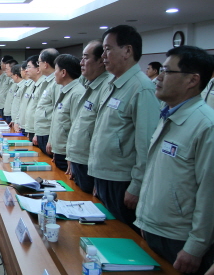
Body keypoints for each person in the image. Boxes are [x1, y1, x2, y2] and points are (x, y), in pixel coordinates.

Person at [135, 45, 214, 275]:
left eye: (168, 72)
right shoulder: (169, 113)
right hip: (155, 227)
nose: (158, 77)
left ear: (192, 80)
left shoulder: (206, 125)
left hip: (180, 239)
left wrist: (195, 247)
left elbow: (209, 193)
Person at [88, 25, 159, 228]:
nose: (103, 56)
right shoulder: (112, 83)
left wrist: (136, 186)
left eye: (108, 49)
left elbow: (146, 144)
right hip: (105, 175)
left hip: (122, 180)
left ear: (127, 50)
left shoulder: (142, 88)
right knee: (105, 234)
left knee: (123, 236)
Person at [65, 40, 112, 193]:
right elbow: (79, 123)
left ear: (101, 61)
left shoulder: (107, 87)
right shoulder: (88, 85)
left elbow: (102, 132)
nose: (81, 63)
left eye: (86, 58)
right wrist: (71, 155)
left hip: (91, 164)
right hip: (79, 158)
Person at [46, 54, 85, 171]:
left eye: (56, 70)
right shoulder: (64, 89)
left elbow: (76, 128)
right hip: (59, 150)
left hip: (67, 153)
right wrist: (51, 142)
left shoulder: (77, 93)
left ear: (63, 72)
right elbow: (58, 120)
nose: (54, 74)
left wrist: (70, 156)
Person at [33, 48, 60, 156]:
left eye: (38, 62)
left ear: (46, 64)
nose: (37, 65)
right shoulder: (45, 80)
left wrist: (52, 139)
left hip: (48, 132)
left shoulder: (56, 82)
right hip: (41, 131)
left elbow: (57, 112)